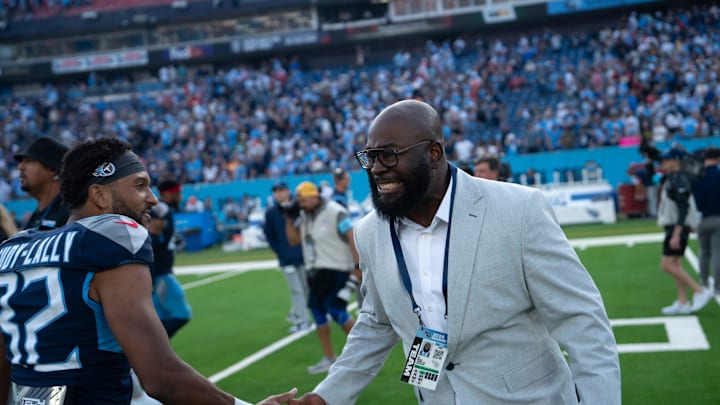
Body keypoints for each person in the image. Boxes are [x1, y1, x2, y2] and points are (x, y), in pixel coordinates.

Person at [291, 100, 620, 404]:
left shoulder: (519, 210)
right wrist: (326, 397)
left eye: (390, 154)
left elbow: (582, 321)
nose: (377, 168)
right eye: (371, 156)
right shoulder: (370, 231)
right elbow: (377, 322)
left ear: (434, 152)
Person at [0, 137, 296, 405]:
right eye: (140, 185)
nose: (152, 198)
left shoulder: (12, 248)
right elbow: (162, 378)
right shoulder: (109, 237)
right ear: (100, 196)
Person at [284, 181, 360, 375]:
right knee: (317, 312)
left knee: (335, 310)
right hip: (315, 270)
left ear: (315, 196)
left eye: (304, 199)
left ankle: (363, 354)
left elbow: (352, 235)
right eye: (299, 200)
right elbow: (293, 240)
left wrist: (357, 266)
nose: (300, 203)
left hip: (336, 268)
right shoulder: (303, 215)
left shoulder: (335, 211)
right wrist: (288, 217)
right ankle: (329, 357)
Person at [656, 147, 713, 315]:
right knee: (676, 264)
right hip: (676, 226)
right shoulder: (673, 177)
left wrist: (677, 232)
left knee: (666, 265)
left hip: (676, 227)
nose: (663, 162)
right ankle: (682, 302)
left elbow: (683, 206)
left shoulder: (679, 179)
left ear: (676, 161)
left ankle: (699, 291)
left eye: (667, 160)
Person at [263, 181, 311, 334]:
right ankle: (302, 320)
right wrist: (280, 252)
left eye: (281, 190)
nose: (279, 194)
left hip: (302, 256)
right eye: (276, 191)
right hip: (286, 258)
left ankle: (302, 315)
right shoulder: (271, 213)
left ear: (287, 191)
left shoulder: (298, 208)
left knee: (307, 289)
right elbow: (269, 235)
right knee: (296, 290)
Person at [147, 178, 192, 337]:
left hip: (156, 271)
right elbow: (151, 241)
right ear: (168, 194)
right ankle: (154, 351)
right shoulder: (162, 209)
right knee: (181, 314)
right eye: (177, 194)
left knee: (161, 319)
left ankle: (155, 354)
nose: (180, 197)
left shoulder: (162, 209)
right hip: (159, 272)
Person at [14, 136, 70, 230]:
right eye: (21, 162)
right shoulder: (34, 219)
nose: (20, 167)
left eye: (28, 161)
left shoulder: (72, 214)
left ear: (52, 169)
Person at [692, 146, 720, 297]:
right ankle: (717, 288)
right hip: (718, 218)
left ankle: (704, 284)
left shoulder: (698, 176)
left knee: (703, 253)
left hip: (702, 218)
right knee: (717, 254)